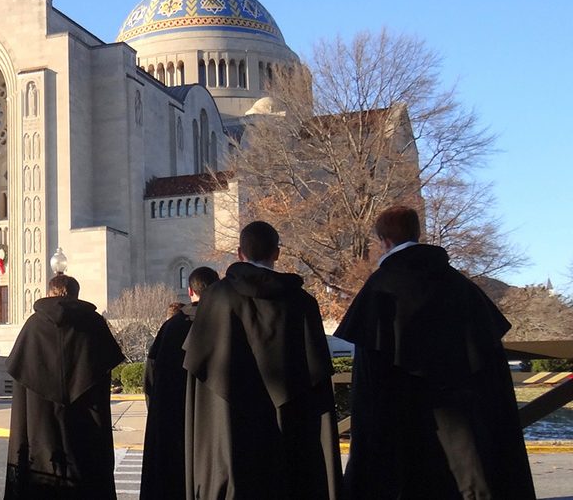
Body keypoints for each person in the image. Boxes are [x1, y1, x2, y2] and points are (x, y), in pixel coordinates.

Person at [335, 205, 535, 499]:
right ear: (416, 233)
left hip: (402, 429)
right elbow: (489, 358)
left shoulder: (381, 288)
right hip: (463, 427)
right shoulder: (459, 284)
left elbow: (370, 375)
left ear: (384, 241)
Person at [183, 221, 341, 500]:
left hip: (230, 435)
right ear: (277, 253)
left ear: (239, 252)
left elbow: (202, 374)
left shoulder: (216, 299)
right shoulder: (302, 302)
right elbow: (316, 379)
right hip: (289, 439)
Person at [4, 274, 125, 499]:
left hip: (40, 435)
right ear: (76, 295)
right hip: (86, 437)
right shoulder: (94, 325)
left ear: (49, 293)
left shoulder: (33, 326)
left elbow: (21, 390)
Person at [139, 266, 218, 500]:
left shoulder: (171, 326)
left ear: (191, 291)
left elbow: (151, 375)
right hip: (214, 423)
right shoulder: (226, 321)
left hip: (173, 419)